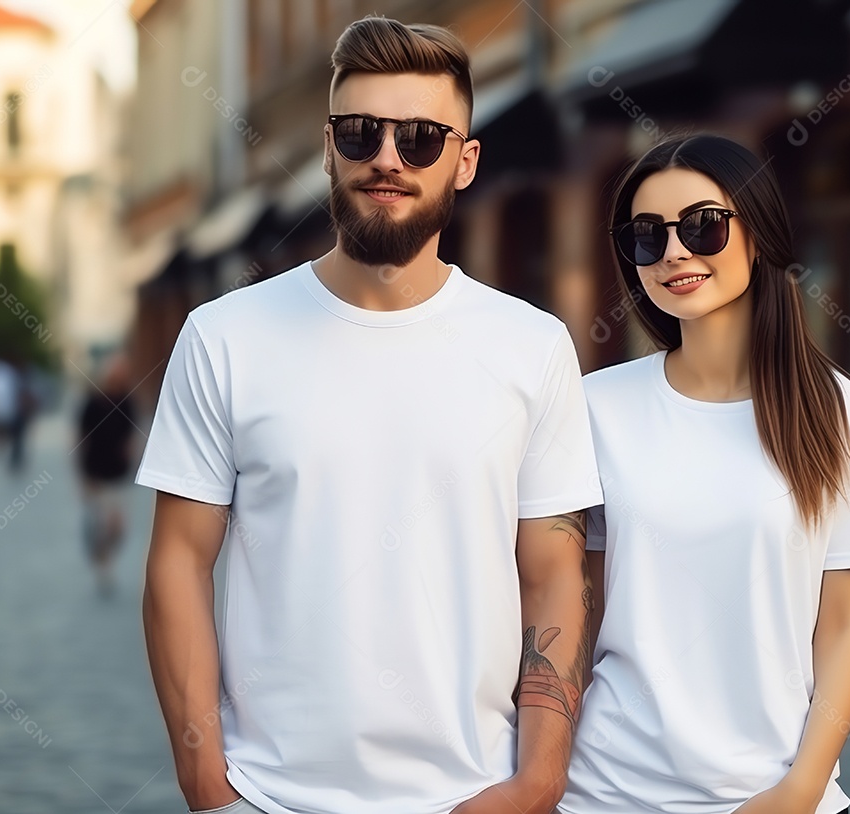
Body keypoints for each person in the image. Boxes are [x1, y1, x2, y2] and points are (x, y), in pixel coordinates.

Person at [137, 16, 602, 814]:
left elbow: (554, 573)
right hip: (272, 797)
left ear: (466, 161)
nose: (387, 157)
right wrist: (209, 787)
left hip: (472, 795)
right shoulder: (224, 336)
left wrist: (539, 780)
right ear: (328, 148)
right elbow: (179, 563)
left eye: (420, 138)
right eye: (361, 133)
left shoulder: (533, 346)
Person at [558, 134, 850, 814]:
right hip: (605, 791)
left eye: (702, 225)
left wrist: (801, 789)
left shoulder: (842, 412)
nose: (674, 252)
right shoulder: (595, 406)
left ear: (758, 232)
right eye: (647, 236)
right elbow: (577, 610)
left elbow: (845, 625)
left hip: (776, 795)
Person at [75, 353, 138, 596]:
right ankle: (103, 565)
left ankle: (104, 556)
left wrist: (131, 455)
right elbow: (81, 437)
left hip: (119, 474)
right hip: (97, 473)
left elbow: (132, 433)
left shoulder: (127, 401)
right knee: (102, 524)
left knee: (119, 527)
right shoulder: (93, 402)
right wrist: (82, 475)